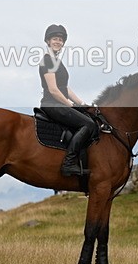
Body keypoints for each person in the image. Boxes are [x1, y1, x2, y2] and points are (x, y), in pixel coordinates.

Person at [39, 24, 99, 176]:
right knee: (88, 124)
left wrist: (81, 103)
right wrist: (70, 105)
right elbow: (53, 90)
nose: (58, 42)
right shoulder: (48, 60)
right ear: (48, 41)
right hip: (52, 104)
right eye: (55, 39)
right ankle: (68, 164)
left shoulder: (57, 61)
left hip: (59, 103)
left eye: (60, 39)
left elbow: (65, 88)